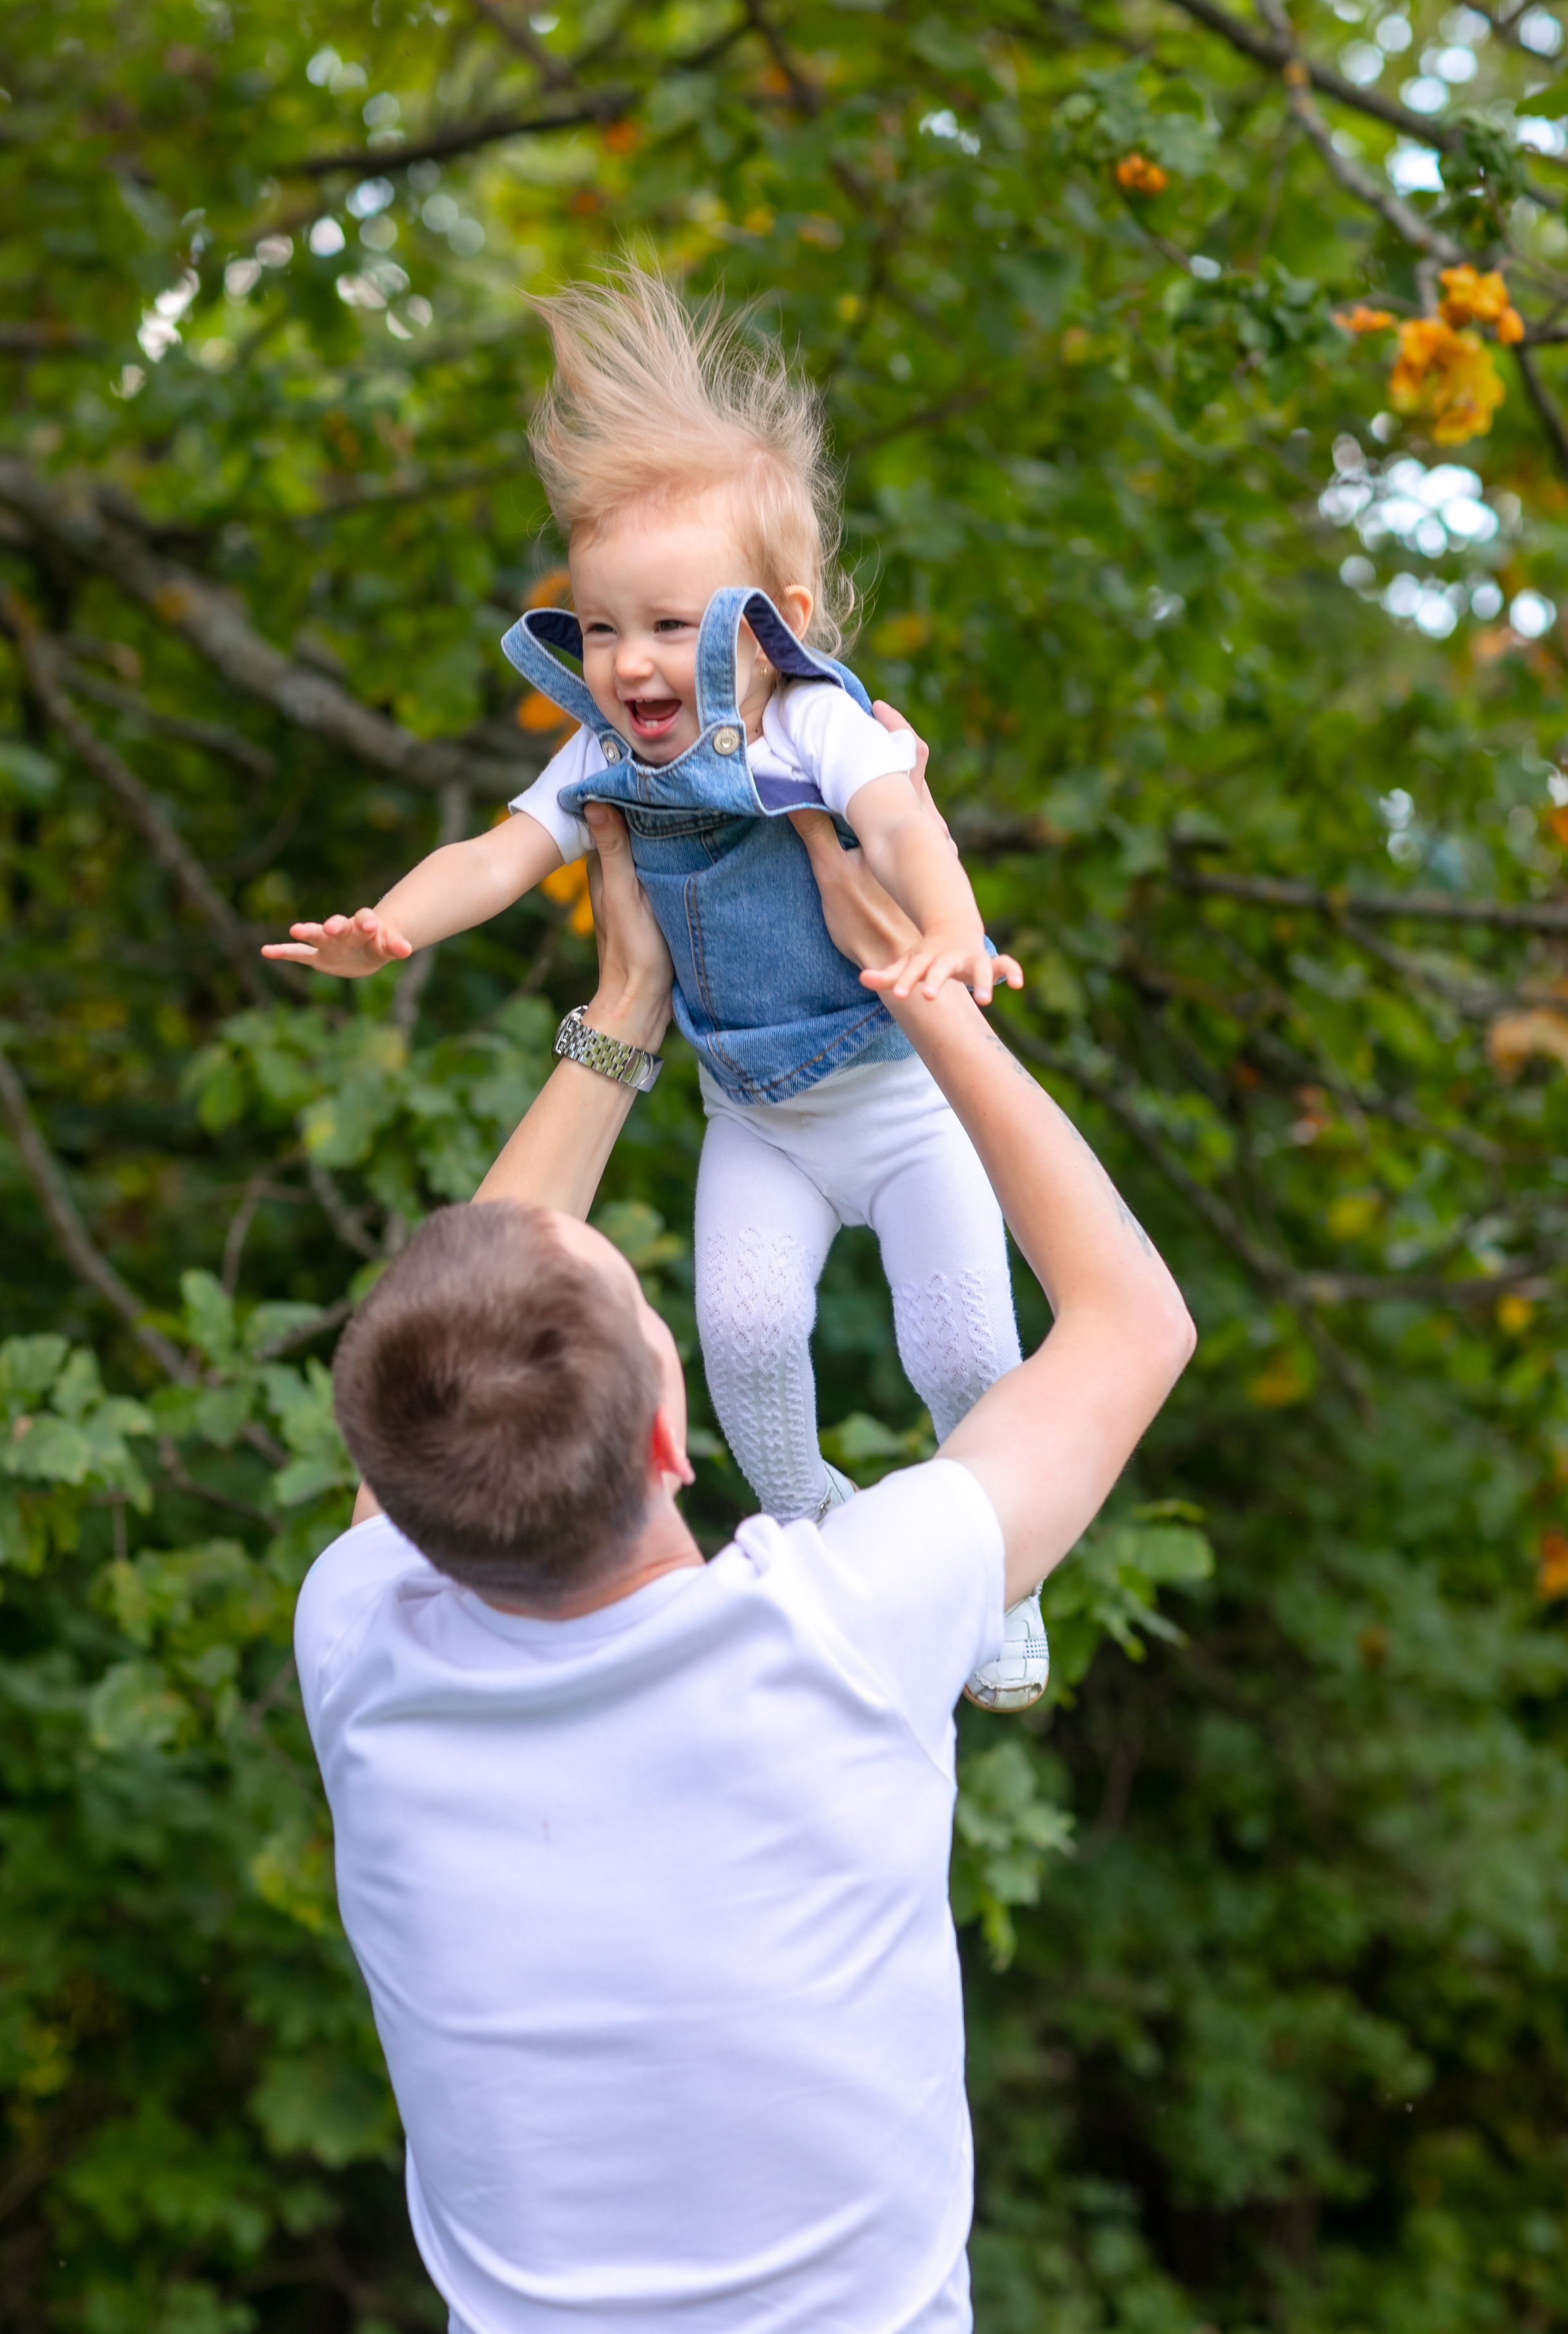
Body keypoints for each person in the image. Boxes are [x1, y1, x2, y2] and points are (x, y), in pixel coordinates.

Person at [294, 791, 1196, 2334]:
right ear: (669, 1442)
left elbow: (451, 1346)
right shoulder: (844, 1629)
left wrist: (622, 1012)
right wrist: (924, 987)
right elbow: (1134, 1322)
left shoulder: (366, 1646)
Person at [269, 263, 1048, 1708]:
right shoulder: (606, 757)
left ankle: (1001, 1582)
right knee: (743, 1343)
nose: (628, 661)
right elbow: (497, 855)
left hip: (896, 1099)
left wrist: (951, 931)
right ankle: (810, 1522)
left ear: (774, 622)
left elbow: (905, 827)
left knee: (966, 1348)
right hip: (754, 1117)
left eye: (669, 625)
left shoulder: (815, 725)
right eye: (602, 622)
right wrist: (389, 923)